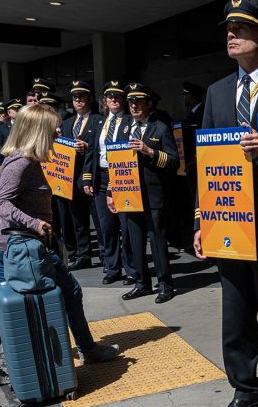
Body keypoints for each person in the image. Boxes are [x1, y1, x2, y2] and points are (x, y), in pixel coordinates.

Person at [194, 0, 258, 407]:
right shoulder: (217, 92)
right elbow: (206, 164)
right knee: (235, 313)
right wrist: (201, 219)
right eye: (229, 29)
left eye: (242, 29)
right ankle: (244, 389)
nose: (231, 35)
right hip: (228, 220)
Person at [0, 103, 119, 385]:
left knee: (3, 303)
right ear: (38, 130)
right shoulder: (21, 163)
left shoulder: (30, 159)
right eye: (53, 127)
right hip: (21, 245)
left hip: (11, 242)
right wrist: (36, 223)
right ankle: (88, 349)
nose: (57, 131)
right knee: (71, 290)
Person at [109, 82, 177, 304]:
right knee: (135, 241)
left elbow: (174, 162)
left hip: (154, 194)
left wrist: (149, 151)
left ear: (149, 103)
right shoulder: (124, 128)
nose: (134, 105)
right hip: (128, 194)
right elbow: (115, 161)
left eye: (138, 101)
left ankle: (165, 284)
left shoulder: (161, 128)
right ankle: (141, 283)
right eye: (131, 102)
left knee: (157, 241)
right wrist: (111, 191)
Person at [83, 81, 132, 285]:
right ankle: (113, 268)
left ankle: (131, 269)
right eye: (109, 96)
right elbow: (93, 151)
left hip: (123, 176)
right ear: (105, 100)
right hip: (102, 177)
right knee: (106, 226)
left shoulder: (130, 121)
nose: (113, 99)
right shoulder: (99, 123)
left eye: (117, 96)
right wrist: (88, 176)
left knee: (126, 225)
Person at [58, 80, 103, 270]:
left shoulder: (99, 120)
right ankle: (83, 255)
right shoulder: (67, 123)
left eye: (82, 96)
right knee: (77, 219)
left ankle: (106, 256)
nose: (78, 100)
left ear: (90, 99)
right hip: (71, 177)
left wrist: (87, 147)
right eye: (75, 97)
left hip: (92, 177)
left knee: (99, 220)